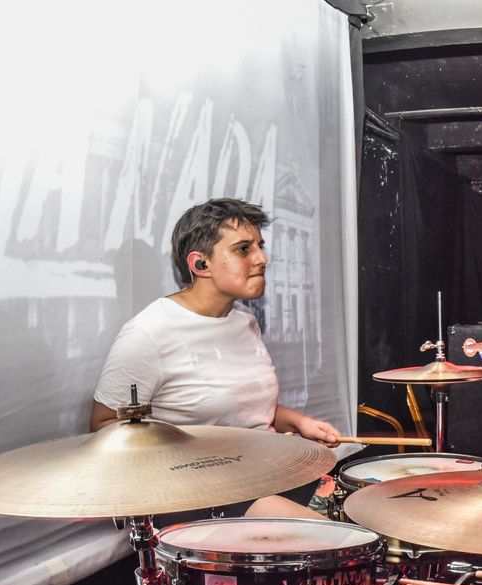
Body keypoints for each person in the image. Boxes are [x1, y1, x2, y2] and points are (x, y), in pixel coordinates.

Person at [90, 197, 339, 517]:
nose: (262, 258)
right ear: (200, 265)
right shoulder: (148, 334)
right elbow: (104, 424)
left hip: (268, 474)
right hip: (202, 497)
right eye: (243, 249)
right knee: (333, 537)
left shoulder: (244, 319)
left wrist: (300, 422)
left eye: (260, 246)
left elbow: (241, 411)